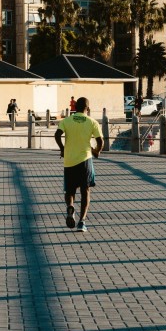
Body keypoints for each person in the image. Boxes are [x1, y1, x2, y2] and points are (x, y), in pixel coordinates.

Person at [54, 97, 103, 233]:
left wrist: (62, 149)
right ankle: (82, 222)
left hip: (69, 161)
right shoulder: (92, 122)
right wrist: (97, 151)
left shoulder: (66, 121)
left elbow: (57, 135)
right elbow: (100, 141)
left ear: (75, 108)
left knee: (69, 191)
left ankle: (70, 206)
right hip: (85, 160)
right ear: (87, 108)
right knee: (85, 190)